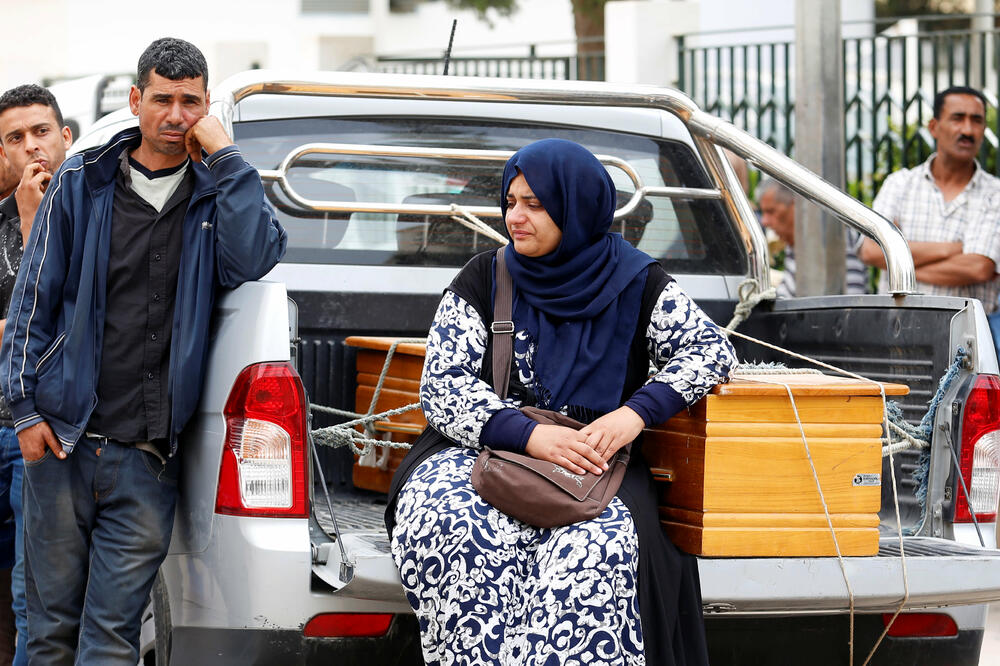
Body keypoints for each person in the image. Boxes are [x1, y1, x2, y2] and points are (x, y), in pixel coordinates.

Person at [385, 138, 737, 665]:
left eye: (535, 204)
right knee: (462, 534)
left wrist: (632, 415)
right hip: (483, 451)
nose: (516, 218)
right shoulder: (485, 277)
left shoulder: (639, 282)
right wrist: (531, 436)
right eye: (511, 202)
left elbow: (711, 351)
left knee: (595, 555)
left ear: (577, 208)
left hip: (593, 463)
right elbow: (442, 386)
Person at [0, 38, 286, 664]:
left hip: (146, 459)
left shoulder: (216, 191)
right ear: (137, 101)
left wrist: (230, 159)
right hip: (61, 445)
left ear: (207, 105)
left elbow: (257, 256)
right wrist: (23, 409)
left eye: (190, 101)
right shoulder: (84, 179)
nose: (176, 115)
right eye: (162, 99)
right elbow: (33, 298)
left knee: (111, 639)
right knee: (47, 635)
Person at [0, 83, 73, 666]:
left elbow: (50, 322)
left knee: (35, 595)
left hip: (42, 433)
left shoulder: (91, 211)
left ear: (65, 137)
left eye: (41, 132)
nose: (32, 148)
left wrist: (33, 222)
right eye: (16, 138)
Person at [859, 86, 1000, 309]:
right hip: (897, 330)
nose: (968, 130)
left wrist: (898, 264)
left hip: (966, 338)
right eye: (957, 118)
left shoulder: (995, 194)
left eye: (976, 120)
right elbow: (870, 250)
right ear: (934, 127)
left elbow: (978, 267)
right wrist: (954, 248)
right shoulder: (900, 184)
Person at [757, 178, 869, 297]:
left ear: (796, 206)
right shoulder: (794, 242)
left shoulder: (834, 237)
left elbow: (852, 300)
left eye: (771, 211)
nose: (764, 221)